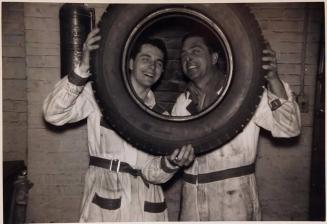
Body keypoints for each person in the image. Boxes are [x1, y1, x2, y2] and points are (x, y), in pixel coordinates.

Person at [43, 28, 194, 222]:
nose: (152, 67)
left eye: (159, 63)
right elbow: (53, 114)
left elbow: (153, 174)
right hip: (105, 198)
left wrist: (172, 163)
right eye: (146, 59)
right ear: (131, 63)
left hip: (148, 206)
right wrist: (82, 68)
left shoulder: (162, 116)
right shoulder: (101, 94)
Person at [172, 33, 301, 221]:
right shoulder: (182, 103)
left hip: (234, 202)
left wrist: (273, 79)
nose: (188, 58)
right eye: (183, 54)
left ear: (214, 58)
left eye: (195, 51)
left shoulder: (243, 94)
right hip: (192, 204)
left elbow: (289, 128)